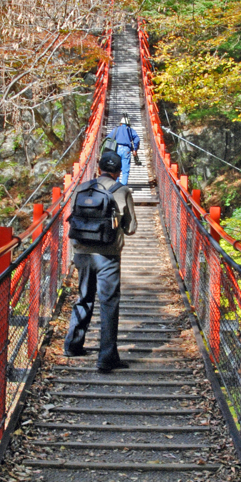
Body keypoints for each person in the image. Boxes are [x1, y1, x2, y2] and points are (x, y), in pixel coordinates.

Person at [64, 150, 137, 372]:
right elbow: (131, 228)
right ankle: (106, 357)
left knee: (84, 297)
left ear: (99, 168)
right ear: (118, 171)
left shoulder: (81, 188)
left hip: (82, 252)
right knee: (108, 302)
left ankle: (73, 346)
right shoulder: (122, 190)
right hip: (108, 255)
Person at [106, 113, 141, 186]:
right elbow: (137, 139)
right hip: (126, 150)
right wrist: (135, 149)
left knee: (116, 167)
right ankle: (123, 186)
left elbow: (108, 138)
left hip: (116, 149)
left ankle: (115, 184)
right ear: (128, 124)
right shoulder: (130, 130)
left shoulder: (116, 129)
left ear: (121, 123)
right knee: (125, 169)